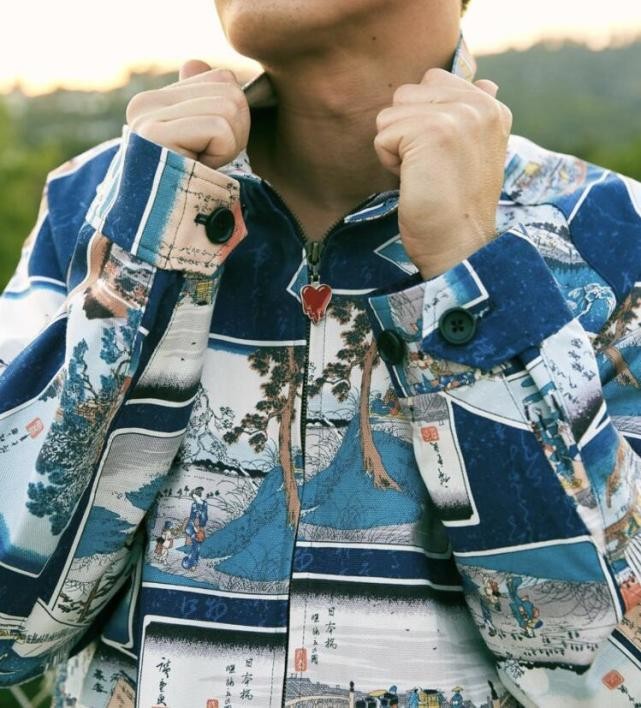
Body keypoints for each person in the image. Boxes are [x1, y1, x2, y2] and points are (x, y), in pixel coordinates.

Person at [1, 1, 641, 706]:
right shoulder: (98, 203)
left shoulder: (613, 235)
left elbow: (611, 677)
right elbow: (11, 633)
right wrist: (145, 256)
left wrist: (471, 266)